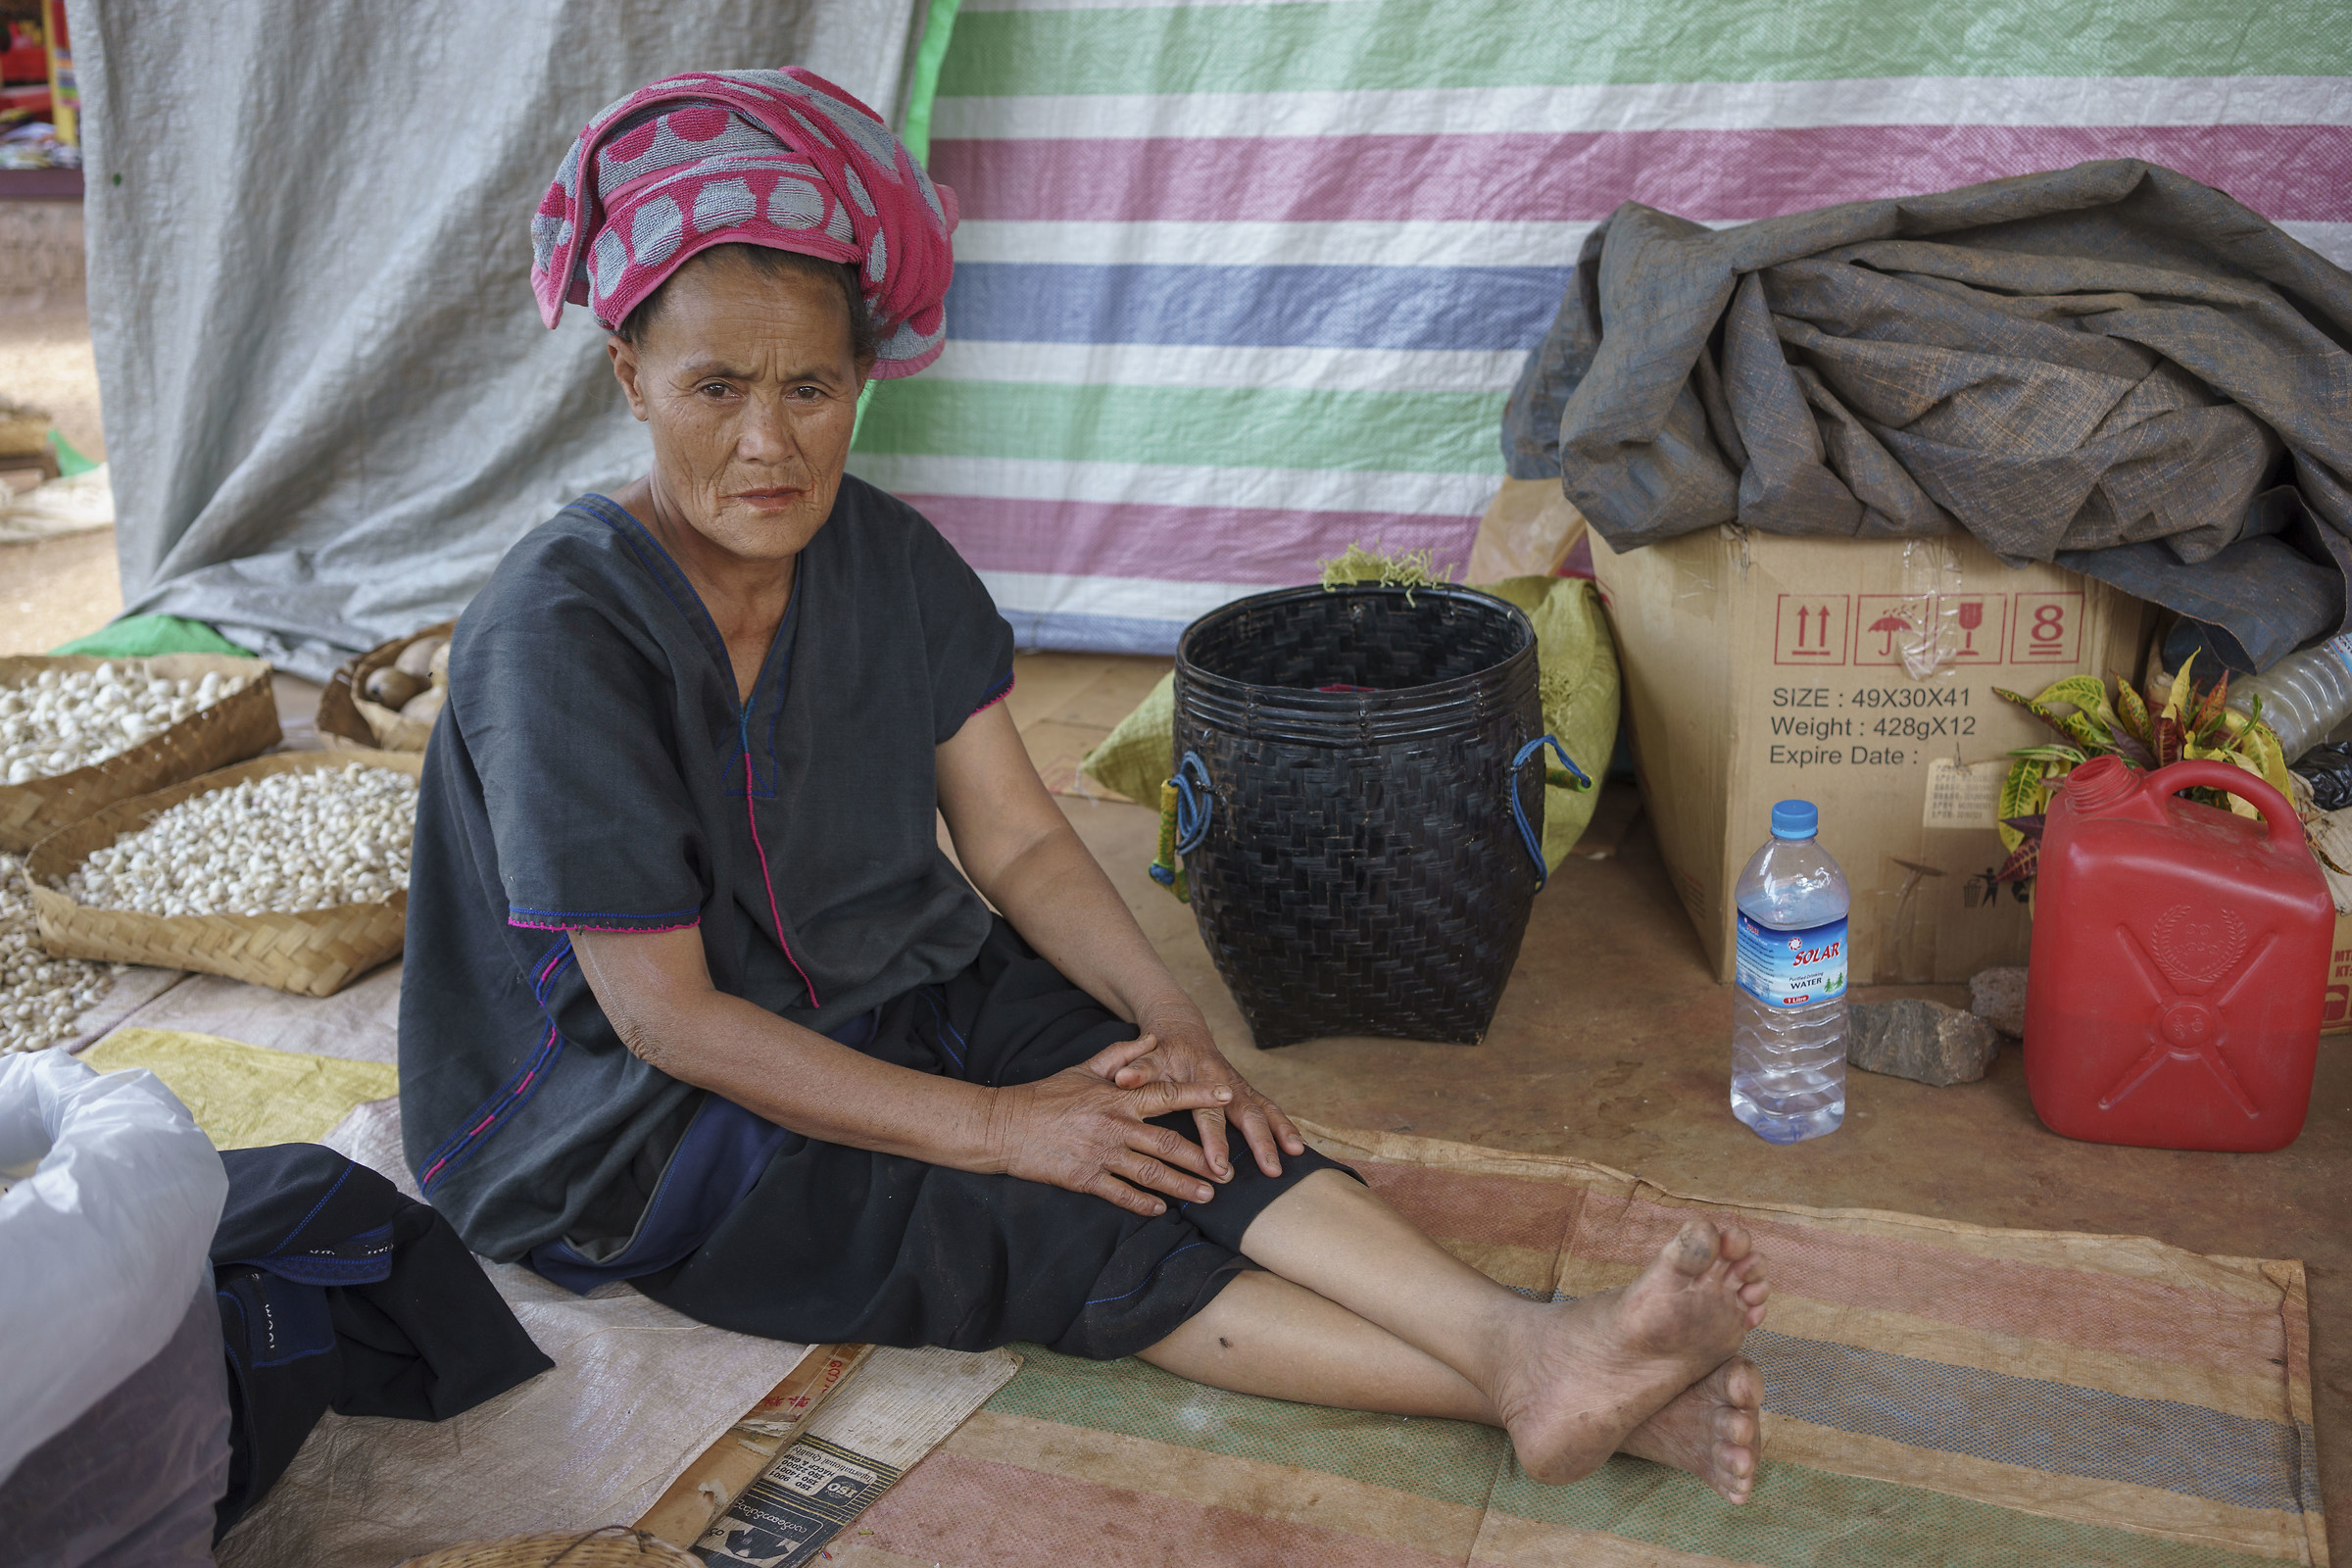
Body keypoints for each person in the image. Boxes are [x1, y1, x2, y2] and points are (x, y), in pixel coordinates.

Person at [400, 68, 1770, 1500]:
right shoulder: (559, 631)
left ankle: (1533, 1351)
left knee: (1173, 1115)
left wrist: (1170, 1020)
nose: (769, 442)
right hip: (625, 1116)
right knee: (1025, 1210)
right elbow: (665, 1017)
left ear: (861, 379)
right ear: (631, 380)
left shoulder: (885, 559)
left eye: (811, 387)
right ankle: (1533, 1379)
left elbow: (1022, 845)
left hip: (892, 973)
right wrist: (1002, 1128)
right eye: (715, 389)